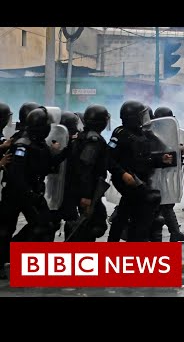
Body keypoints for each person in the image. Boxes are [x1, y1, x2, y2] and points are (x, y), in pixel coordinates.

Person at [0, 107, 69, 278]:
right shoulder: (23, 144)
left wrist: (65, 151)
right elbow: (16, 174)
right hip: (17, 194)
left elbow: (48, 165)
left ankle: (17, 252)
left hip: (32, 191)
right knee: (5, 229)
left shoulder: (39, 143)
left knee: (45, 225)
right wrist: (30, 194)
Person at [107, 100, 174, 242]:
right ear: (134, 117)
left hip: (141, 178)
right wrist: (123, 174)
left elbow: (145, 160)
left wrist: (162, 160)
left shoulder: (142, 134)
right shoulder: (120, 134)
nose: (145, 118)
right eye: (142, 115)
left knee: (126, 212)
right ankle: (138, 241)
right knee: (148, 204)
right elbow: (108, 159)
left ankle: (116, 240)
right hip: (127, 179)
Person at [62, 105, 111, 242]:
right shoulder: (92, 141)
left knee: (94, 223)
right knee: (91, 225)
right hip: (85, 191)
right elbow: (86, 167)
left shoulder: (85, 136)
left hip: (85, 189)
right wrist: (86, 195)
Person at [150, 106, 184, 242]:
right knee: (161, 205)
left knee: (166, 204)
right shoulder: (154, 133)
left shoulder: (167, 132)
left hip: (164, 175)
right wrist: (177, 148)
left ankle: (175, 233)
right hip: (155, 175)